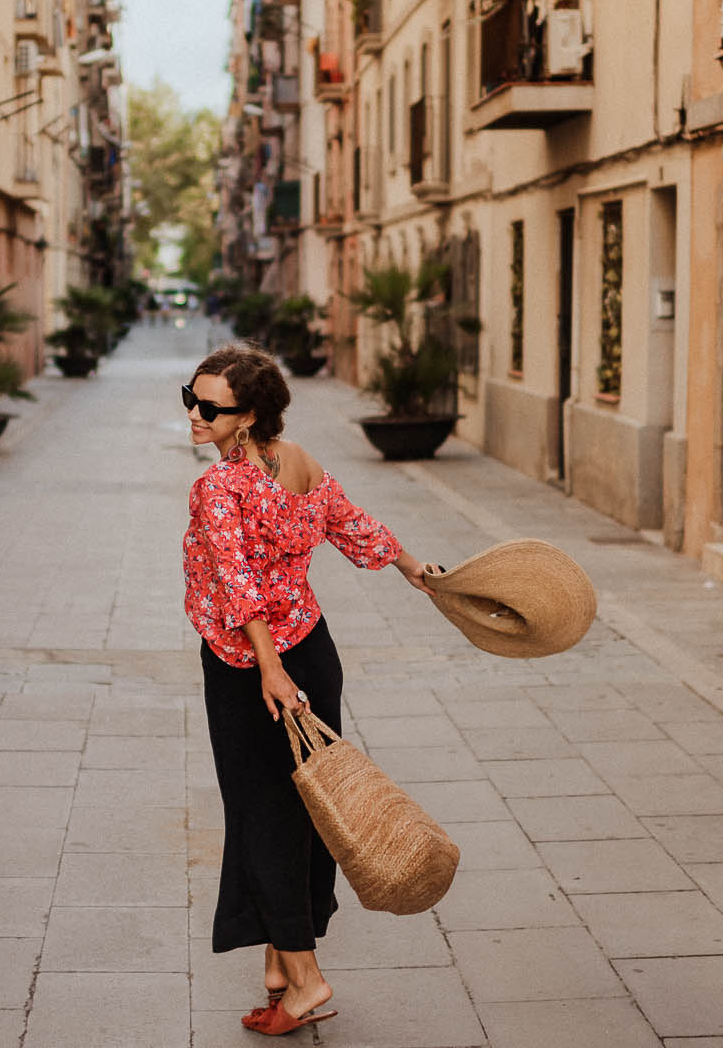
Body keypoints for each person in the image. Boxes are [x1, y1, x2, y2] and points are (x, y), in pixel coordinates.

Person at [181, 343, 441, 1036]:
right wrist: (414, 567)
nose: (195, 414)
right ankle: (278, 961)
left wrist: (269, 668)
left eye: (211, 407)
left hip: (253, 669)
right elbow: (351, 524)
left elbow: (238, 585)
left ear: (248, 416)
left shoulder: (218, 487)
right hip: (313, 654)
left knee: (261, 815)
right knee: (306, 809)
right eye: (190, 397)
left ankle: (303, 981)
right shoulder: (297, 460)